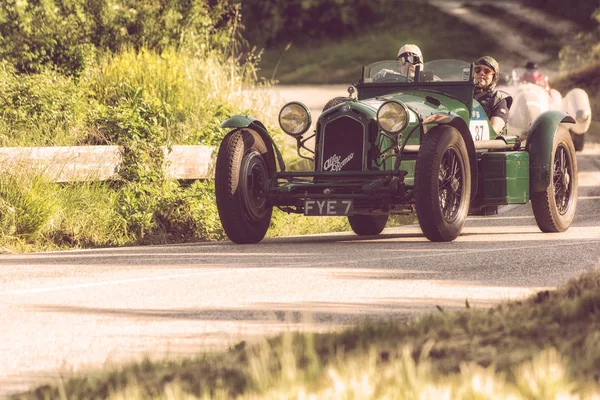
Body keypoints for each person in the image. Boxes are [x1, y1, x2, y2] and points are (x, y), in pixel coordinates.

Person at [473, 56, 509, 135]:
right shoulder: (465, 94)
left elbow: (492, 132)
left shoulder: (498, 100)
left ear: (494, 77)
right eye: (477, 70)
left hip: (484, 145)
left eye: (486, 71)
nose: (481, 73)